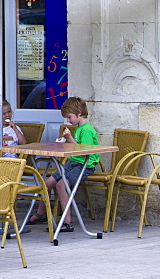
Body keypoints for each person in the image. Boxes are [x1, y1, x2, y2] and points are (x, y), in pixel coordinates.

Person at [28, 96, 97, 232]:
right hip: (73, 162)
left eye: (69, 117)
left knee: (61, 184)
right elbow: (76, 148)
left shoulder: (87, 129)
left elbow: (85, 152)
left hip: (84, 165)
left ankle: (67, 222)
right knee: (46, 183)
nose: (67, 120)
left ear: (79, 113)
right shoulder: (78, 128)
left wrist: (70, 139)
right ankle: (41, 213)